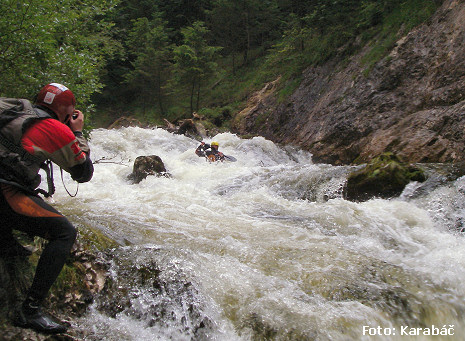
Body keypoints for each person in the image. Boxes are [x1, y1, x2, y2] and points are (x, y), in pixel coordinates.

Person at [0, 83, 94, 334]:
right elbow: (83, 172)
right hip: (4, 192)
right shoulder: (56, 129)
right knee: (64, 233)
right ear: (67, 113)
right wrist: (77, 132)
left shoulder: (15, 106)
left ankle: (5, 241)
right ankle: (29, 310)